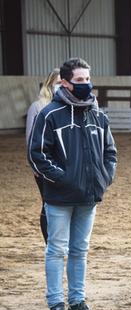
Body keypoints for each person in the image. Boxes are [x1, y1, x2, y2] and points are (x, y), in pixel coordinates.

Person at [28, 57, 117, 310]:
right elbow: (37, 155)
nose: (86, 84)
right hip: (59, 198)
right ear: (64, 83)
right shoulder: (49, 115)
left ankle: (77, 304)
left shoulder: (98, 115)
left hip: (89, 197)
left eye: (87, 79)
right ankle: (56, 307)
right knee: (56, 250)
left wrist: (102, 178)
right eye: (79, 80)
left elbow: (110, 152)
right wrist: (62, 179)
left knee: (80, 250)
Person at [26, 69, 61, 243]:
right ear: (50, 84)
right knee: (48, 203)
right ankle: (50, 242)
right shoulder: (38, 107)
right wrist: (35, 164)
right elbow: (30, 138)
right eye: (58, 83)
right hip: (45, 164)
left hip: (66, 165)